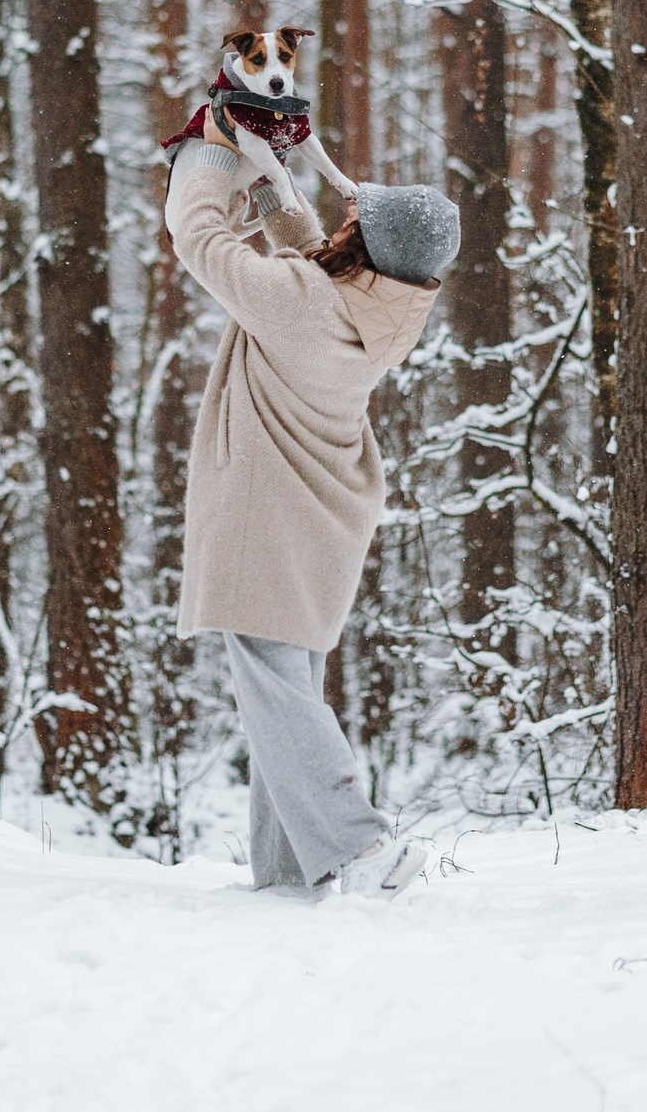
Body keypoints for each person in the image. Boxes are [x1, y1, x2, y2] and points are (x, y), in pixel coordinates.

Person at [163, 111, 459, 898]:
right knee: (284, 689)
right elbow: (308, 262)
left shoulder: (303, 304)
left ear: (365, 245)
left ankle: (359, 848)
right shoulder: (379, 311)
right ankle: (294, 871)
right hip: (316, 523)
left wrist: (212, 161)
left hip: (267, 518)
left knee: (274, 689)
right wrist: (271, 184)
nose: (347, 210)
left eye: (357, 217)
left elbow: (201, 244)